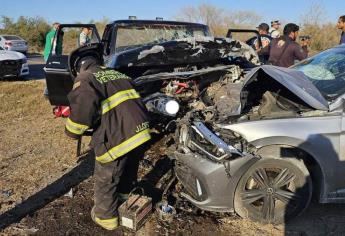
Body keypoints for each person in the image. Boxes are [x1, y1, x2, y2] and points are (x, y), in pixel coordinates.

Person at [65, 58, 151, 230]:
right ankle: (124, 197)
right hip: (141, 131)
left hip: (119, 135)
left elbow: (83, 107)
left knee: (106, 176)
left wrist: (72, 131)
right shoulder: (116, 73)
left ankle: (106, 219)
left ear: (79, 68)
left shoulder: (86, 78)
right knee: (128, 167)